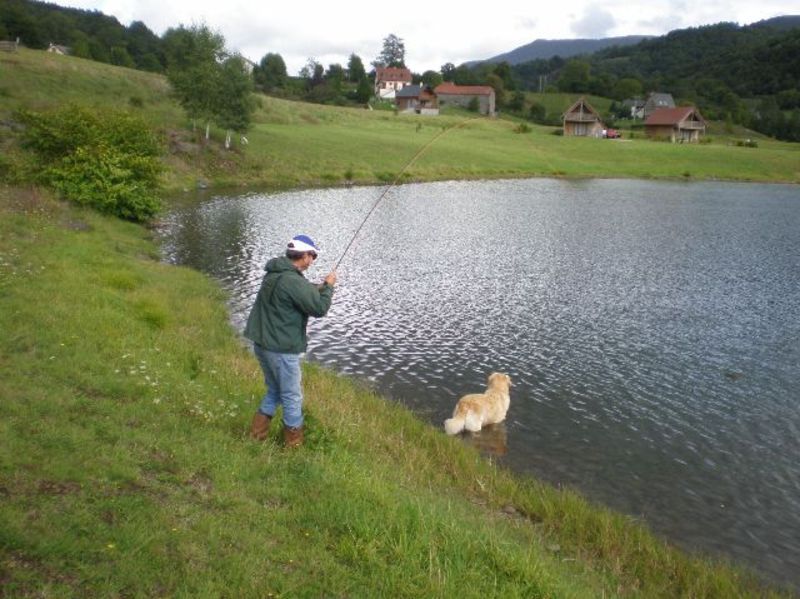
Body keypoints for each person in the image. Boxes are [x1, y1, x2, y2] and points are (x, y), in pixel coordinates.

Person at [244, 235, 337, 447]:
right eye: (312, 255)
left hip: (263, 344)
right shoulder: (292, 280)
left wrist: (319, 287)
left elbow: (296, 292)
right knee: (292, 397)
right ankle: (293, 447)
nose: (313, 260)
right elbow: (319, 309)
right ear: (303, 256)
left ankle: (256, 437)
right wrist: (329, 287)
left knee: (275, 391)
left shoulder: (275, 273)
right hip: (281, 349)